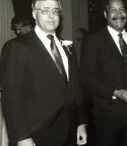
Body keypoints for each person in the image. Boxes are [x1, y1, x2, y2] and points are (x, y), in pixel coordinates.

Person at [1, 0, 87, 146]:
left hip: (70, 133)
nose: (52, 15)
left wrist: (81, 123)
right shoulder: (17, 47)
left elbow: (75, 88)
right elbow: (12, 98)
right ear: (35, 14)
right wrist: (22, 137)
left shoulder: (69, 48)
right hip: (38, 136)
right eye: (45, 10)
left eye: (55, 11)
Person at [80, 0, 127, 146]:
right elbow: (86, 80)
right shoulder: (93, 40)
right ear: (105, 14)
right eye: (113, 11)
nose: (119, 14)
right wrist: (115, 92)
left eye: (122, 10)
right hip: (108, 117)